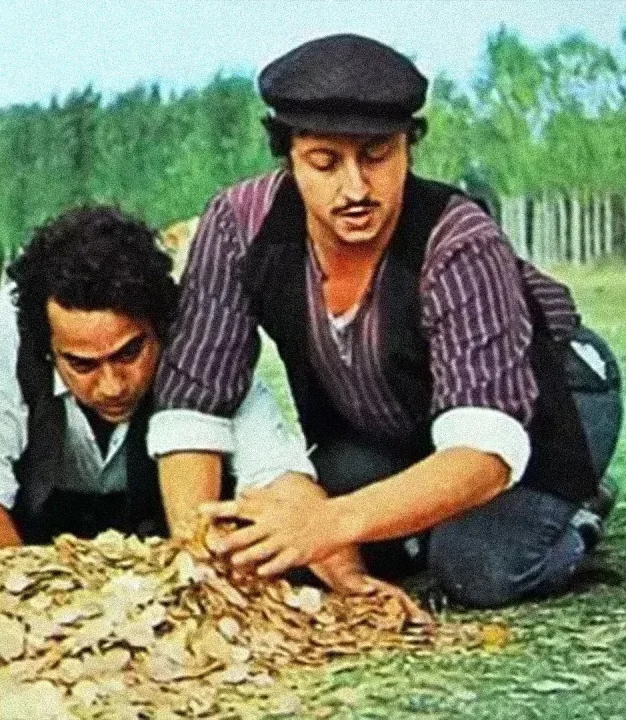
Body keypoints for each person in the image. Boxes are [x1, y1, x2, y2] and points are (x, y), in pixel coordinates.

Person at [154, 34, 622, 608]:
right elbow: (196, 399)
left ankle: (579, 511)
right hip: (405, 414)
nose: (355, 188)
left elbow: (483, 449)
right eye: (324, 162)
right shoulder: (237, 225)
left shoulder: (459, 239)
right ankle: (425, 525)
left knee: (478, 568)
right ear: (289, 156)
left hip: (548, 401)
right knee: (316, 539)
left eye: (376, 156)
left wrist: (329, 521)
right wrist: (194, 555)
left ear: (408, 148)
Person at [0, 205, 320, 549]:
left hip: (170, 532)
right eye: (83, 365)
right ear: (47, 348)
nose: (112, 386)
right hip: (33, 532)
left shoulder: (201, 338)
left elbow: (274, 475)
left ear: (161, 326)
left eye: (129, 353)